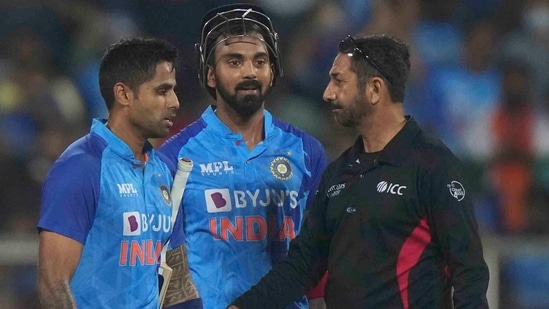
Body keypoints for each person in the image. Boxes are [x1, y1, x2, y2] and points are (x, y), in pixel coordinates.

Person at [229, 34, 490, 308]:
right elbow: (301, 266)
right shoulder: (338, 173)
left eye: (339, 81)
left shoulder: (432, 164)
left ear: (375, 90)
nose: (327, 93)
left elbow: (468, 270)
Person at [159, 3, 328, 309]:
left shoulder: (307, 152)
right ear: (211, 75)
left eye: (259, 61)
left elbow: (319, 265)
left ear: (271, 71)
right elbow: (164, 260)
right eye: (234, 62)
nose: (249, 72)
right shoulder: (176, 157)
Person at [37, 37, 202, 308]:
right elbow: (53, 285)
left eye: (173, 91)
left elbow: (177, 283)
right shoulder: (80, 168)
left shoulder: (164, 173)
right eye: (162, 91)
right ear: (124, 94)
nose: (174, 102)